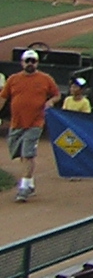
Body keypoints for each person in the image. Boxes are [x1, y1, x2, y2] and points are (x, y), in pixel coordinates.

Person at [2, 51, 60, 203]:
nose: (30, 64)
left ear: (37, 63)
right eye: (27, 61)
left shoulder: (45, 79)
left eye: (33, 61)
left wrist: (51, 101)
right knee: (20, 153)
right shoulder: (13, 79)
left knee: (28, 154)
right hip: (17, 123)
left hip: (36, 122)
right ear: (22, 63)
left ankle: (24, 187)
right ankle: (30, 183)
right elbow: (3, 96)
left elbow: (56, 94)